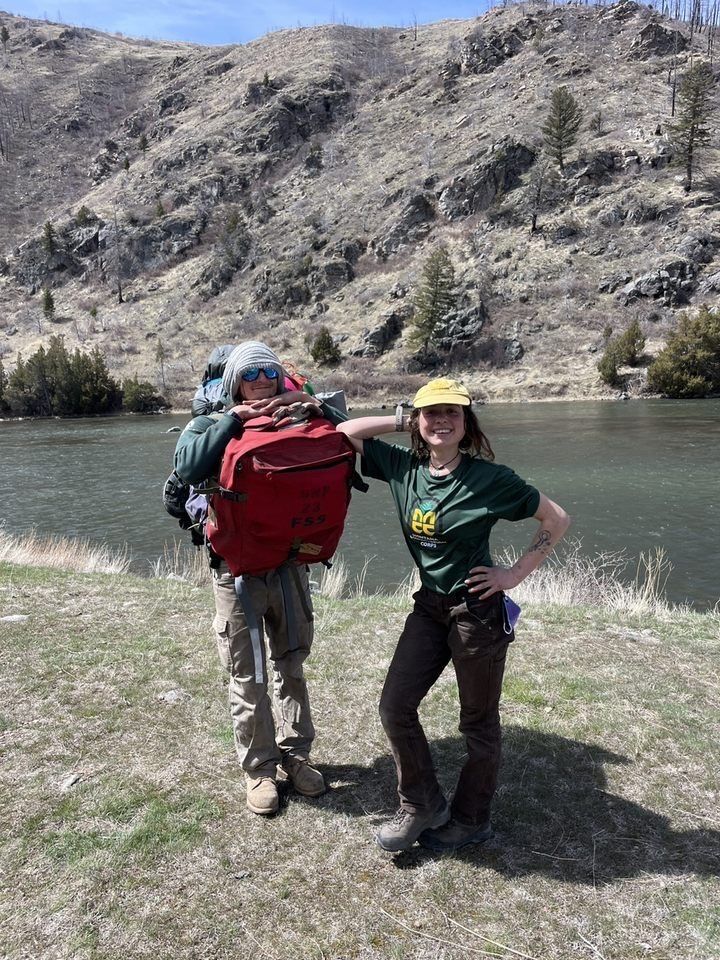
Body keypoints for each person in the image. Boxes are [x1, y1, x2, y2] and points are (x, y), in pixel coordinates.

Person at [337, 378, 571, 853]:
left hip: (477, 613)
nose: (441, 421)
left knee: (477, 723)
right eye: (431, 413)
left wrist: (513, 574)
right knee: (395, 706)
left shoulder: (491, 479)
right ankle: (421, 804)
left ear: (467, 424)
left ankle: (471, 819)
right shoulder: (403, 467)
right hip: (429, 607)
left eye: (453, 414)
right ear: (417, 421)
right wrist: (402, 419)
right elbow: (347, 431)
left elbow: (557, 519)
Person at [174, 340, 346, 816]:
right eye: (250, 374)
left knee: (291, 664)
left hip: (289, 564)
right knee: (246, 675)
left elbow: (346, 427)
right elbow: (187, 466)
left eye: (269, 372)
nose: (261, 381)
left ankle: (297, 757)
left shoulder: (296, 414)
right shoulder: (209, 423)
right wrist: (235, 419)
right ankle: (259, 771)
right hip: (236, 571)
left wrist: (301, 401)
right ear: (234, 382)